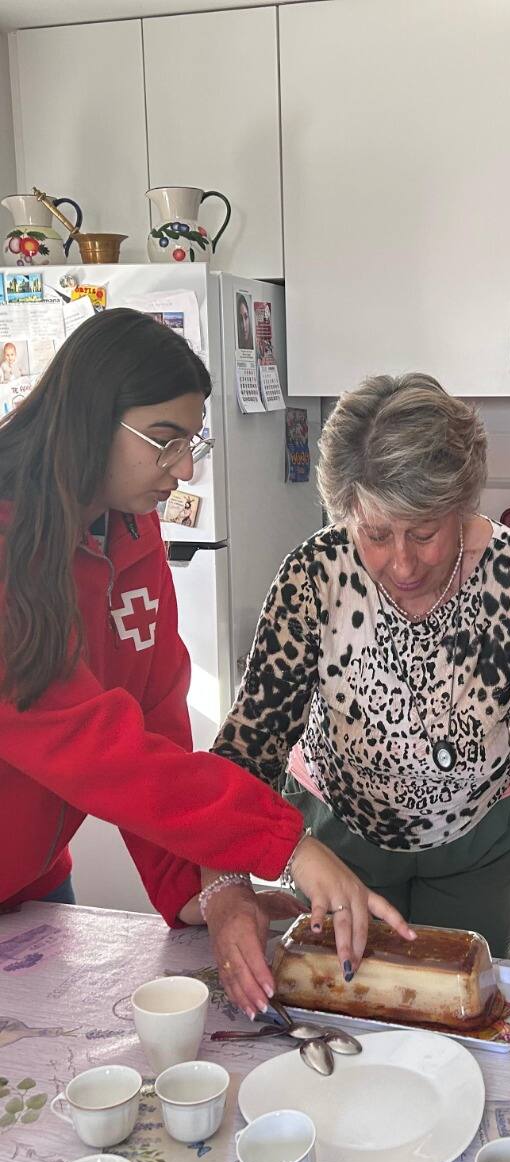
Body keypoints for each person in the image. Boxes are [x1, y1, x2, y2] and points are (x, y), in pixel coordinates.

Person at [1, 308, 407, 1017]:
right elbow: (100, 752)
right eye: (164, 441)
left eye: (190, 443)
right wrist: (287, 844)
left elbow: (155, 731)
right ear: (89, 418)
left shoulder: (132, 531)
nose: (184, 469)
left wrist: (207, 890)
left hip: (33, 885)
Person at [210, 373, 510, 971]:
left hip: (480, 843)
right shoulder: (315, 575)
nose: (402, 563)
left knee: (471, 994)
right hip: (337, 838)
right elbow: (248, 745)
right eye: (375, 534)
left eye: (424, 532)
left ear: (461, 507)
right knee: (341, 994)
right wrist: (224, 886)